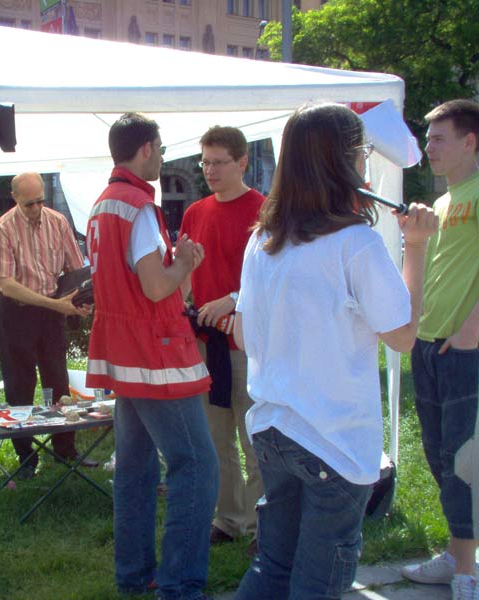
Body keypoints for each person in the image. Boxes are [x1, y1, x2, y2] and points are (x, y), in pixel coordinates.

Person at [232, 102, 438, 599]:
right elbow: (402, 335)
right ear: (345, 159)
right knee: (319, 580)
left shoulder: (262, 240)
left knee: (274, 564)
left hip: (274, 427)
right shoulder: (354, 242)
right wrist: (416, 247)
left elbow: (240, 334)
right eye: (361, 151)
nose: (365, 161)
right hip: (332, 437)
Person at [86, 112, 218, 600]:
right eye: (160, 149)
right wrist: (182, 262)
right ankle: (179, 585)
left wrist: (179, 267)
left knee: (135, 470)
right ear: (145, 149)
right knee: (197, 466)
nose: (162, 158)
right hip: (155, 356)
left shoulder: (103, 204)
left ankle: (135, 576)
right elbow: (156, 286)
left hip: (124, 353)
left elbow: (139, 287)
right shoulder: (138, 206)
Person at [401, 99, 479, 600]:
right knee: (438, 455)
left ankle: (466, 570)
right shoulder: (446, 201)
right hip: (430, 346)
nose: (428, 147)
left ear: (470, 141)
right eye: (428, 138)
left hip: (464, 349)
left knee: (463, 458)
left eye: (438, 138)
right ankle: (457, 552)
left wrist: (472, 331)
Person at [179, 126, 264, 550]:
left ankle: (261, 524)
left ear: (242, 162)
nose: (209, 170)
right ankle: (228, 518)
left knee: (254, 438)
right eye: (205, 162)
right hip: (204, 343)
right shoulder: (195, 212)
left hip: (247, 344)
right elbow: (184, 272)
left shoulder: (264, 211)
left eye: (218, 162)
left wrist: (232, 299)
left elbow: (273, 279)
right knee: (215, 438)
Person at [0, 172, 94, 479]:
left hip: (52, 309)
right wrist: (56, 304)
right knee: (20, 384)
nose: (35, 208)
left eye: (40, 201)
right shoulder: (2, 228)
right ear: (15, 198)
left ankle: (65, 449)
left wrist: (82, 299)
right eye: (29, 204)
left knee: (58, 379)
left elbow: (76, 269)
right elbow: (6, 284)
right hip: (18, 311)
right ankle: (26, 457)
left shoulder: (57, 221)